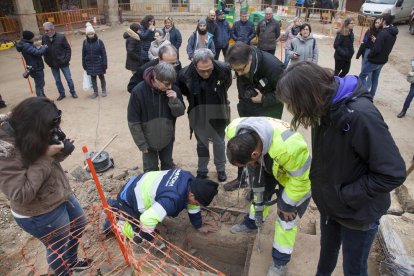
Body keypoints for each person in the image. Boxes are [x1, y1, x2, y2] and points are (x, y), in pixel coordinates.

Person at [276, 61, 406, 276]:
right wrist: (330, 196)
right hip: (331, 207)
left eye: (292, 104)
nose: (292, 110)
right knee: (326, 256)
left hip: (358, 213)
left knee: (353, 269)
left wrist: (345, 196)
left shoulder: (360, 116)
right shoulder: (324, 108)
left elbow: (392, 173)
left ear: (307, 96)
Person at [0, 97, 92, 275]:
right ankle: (64, 272)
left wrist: (60, 151)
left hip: (59, 194)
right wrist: (46, 156)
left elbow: (46, 164)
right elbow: (21, 195)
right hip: (39, 212)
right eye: (48, 130)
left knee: (80, 223)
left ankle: (72, 262)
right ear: (33, 127)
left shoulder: (29, 133)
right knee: (57, 248)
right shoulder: (4, 152)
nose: (53, 132)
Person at [226, 117, 311, 276]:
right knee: (258, 194)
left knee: (286, 217)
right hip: (265, 160)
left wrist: (287, 205)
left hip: (293, 176)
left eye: (245, 164)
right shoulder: (235, 130)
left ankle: (280, 261)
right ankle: (252, 222)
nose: (245, 168)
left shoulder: (291, 148)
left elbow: (302, 180)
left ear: (254, 154)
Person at [223, 42, 285, 191]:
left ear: (250, 58)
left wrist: (263, 99)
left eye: (241, 69)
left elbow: (285, 93)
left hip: (268, 113)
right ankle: (242, 179)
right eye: (234, 70)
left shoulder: (274, 67)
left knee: (263, 149)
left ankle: (262, 184)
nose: (238, 74)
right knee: (242, 145)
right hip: (247, 109)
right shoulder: (241, 66)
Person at [104, 168, 219, 243]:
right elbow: (146, 218)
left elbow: (193, 205)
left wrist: (198, 225)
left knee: (152, 220)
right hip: (130, 198)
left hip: (139, 182)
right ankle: (113, 217)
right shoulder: (172, 199)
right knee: (135, 233)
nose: (196, 205)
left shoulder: (189, 179)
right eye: (198, 203)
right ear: (192, 195)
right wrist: (146, 238)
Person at [178, 48, 232, 182]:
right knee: (202, 144)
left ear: (213, 63)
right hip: (199, 114)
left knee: (219, 142)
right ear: (195, 65)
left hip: (218, 113)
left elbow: (227, 84)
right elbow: (184, 90)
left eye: (209, 69)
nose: (206, 73)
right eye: (202, 71)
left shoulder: (223, 69)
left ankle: (221, 169)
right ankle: (202, 170)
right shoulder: (184, 74)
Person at [127, 63, 185, 172]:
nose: (170, 87)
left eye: (171, 83)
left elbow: (180, 113)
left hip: (167, 139)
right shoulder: (138, 92)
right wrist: (142, 144)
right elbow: (133, 122)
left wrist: (174, 101)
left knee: (167, 168)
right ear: (155, 79)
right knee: (150, 171)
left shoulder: (173, 90)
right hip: (147, 142)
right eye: (166, 84)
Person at [359, 14, 398, 97]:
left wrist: (369, 56)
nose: (379, 22)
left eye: (381, 21)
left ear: (384, 21)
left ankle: (366, 95)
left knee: (362, 76)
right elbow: (385, 46)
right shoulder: (393, 34)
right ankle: (371, 95)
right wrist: (378, 41)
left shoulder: (383, 33)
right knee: (375, 79)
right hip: (382, 61)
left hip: (375, 60)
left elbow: (376, 49)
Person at [42, 22, 78, 101]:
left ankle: (73, 92)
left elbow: (68, 49)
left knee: (68, 78)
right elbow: (43, 50)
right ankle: (62, 94)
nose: (45, 32)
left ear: (52, 29)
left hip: (63, 62)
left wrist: (66, 59)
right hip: (52, 64)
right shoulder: (44, 38)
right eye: (44, 30)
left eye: (47, 30)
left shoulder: (61, 37)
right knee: (57, 80)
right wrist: (47, 61)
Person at [16, 30, 48, 97]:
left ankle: (43, 99)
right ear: (29, 38)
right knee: (39, 85)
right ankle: (40, 101)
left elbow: (34, 51)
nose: (34, 38)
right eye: (33, 37)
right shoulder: (27, 46)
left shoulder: (25, 44)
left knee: (40, 84)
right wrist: (44, 48)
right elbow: (38, 53)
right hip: (36, 68)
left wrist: (38, 46)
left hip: (33, 67)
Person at [82, 23, 108, 99]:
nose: (90, 35)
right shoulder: (85, 42)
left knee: (101, 77)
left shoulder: (99, 42)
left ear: (94, 33)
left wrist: (105, 63)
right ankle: (95, 91)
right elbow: (83, 54)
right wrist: (84, 64)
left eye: (92, 33)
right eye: (89, 34)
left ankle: (103, 90)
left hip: (99, 63)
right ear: (87, 34)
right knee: (93, 78)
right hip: (90, 63)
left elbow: (104, 53)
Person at [356, 18, 382, 91]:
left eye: (378, 23)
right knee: (363, 70)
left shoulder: (382, 33)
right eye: (376, 22)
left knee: (370, 73)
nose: (377, 24)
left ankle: (366, 89)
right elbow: (364, 41)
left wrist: (376, 41)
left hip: (374, 54)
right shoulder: (370, 30)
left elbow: (381, 46)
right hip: (366, 52)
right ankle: (362, 88)